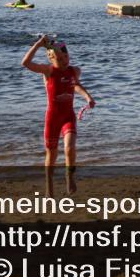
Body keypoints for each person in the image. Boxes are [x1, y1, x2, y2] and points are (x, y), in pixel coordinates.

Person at [22, 36, 95, 197]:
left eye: (66, 57)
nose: (64, 61)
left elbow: (76, 85)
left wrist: (88, 97)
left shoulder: (74, 71)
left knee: (69, 147)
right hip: (53, 119)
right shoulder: (48, 71)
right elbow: (25, 63)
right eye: (60, 59)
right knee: (52, 155)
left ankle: (70, 175)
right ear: (51, 58)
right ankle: (49, 185)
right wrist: (38, 45)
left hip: (68, 116)